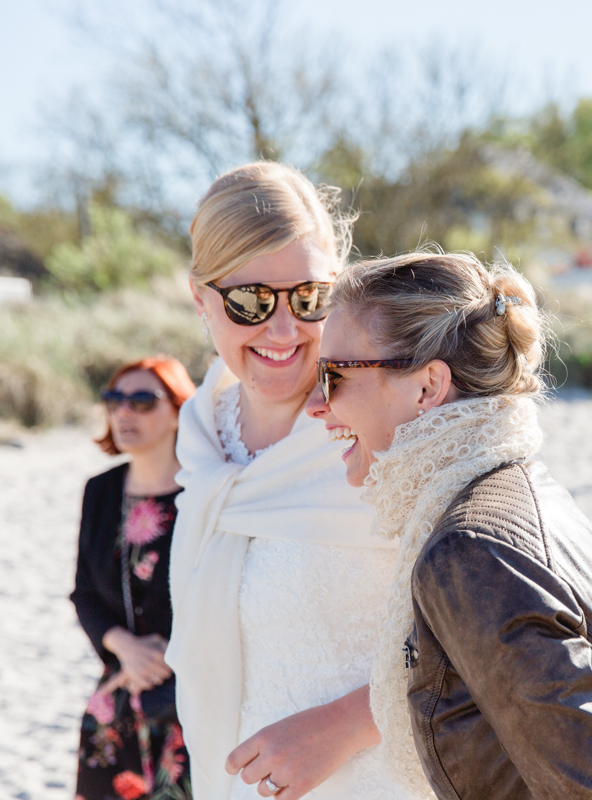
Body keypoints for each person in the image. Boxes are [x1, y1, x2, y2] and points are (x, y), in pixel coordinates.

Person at [306, 250, 592, 800]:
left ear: (428, 386)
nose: (316, 404)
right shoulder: (527, 489)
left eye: (333, 374)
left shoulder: (469, 551)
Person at [165, 162, 426, 800]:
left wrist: (345, 725)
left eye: (309, 299)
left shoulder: (394, 427)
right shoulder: (200, 432)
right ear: (201, 298)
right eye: (249, 301)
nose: (282, 331)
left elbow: (491, 629)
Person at [72, 355, 197, 800]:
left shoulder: (204, 493)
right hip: (117, 699)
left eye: (143, 400)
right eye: (115, 399)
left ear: (180, 412)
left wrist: (170, 656)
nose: (125, 411)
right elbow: (84, 592)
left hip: (192, 700)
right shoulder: (100, 490)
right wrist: (125, 649)